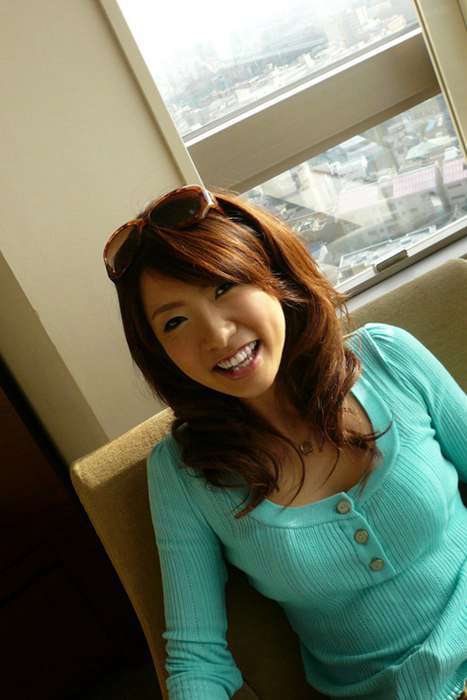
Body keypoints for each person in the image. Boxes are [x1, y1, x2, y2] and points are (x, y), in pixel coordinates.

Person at [103, 184, 467, 700]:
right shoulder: (184, 474)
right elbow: (197, 659)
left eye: (225, 286)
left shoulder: (390, 358)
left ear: (272, 274)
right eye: (175, 321)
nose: (217, 336)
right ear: (159, 352)